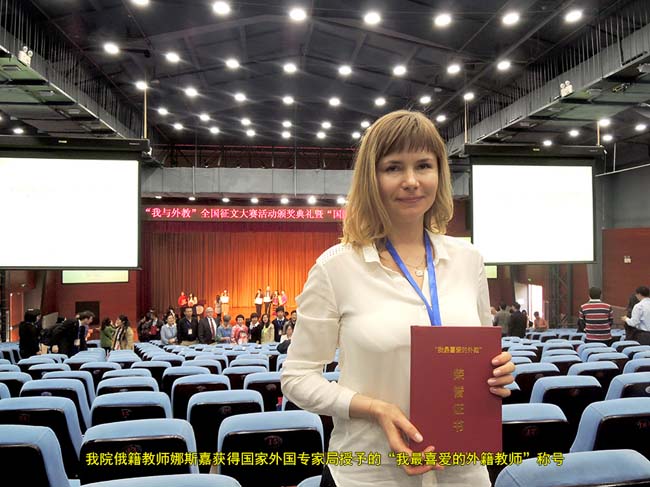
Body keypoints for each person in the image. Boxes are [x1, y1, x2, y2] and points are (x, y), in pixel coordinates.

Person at [280, 110, 514, 487]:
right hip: (369, 473)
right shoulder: (336, 267)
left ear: (439, 173)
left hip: (461, 472)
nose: (411, 181)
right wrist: (373, 409)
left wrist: (498, 372)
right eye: (393, 168)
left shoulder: (468, 259)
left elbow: (483, 355)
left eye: (423, 165)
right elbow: (297, 378)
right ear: (371, 179)